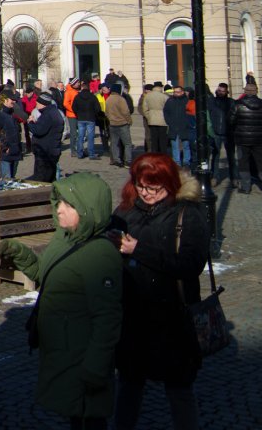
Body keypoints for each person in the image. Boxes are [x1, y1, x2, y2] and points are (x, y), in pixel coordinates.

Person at [0, 173, 122, 430]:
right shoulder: (64, 238)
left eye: (68, 204)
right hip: (64, 352)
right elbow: (45, 274)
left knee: (90, 417)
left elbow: (107, 318)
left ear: (87, 210)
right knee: (75, 415)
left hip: (82, 355)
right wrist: (19, 254)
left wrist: (96, 366)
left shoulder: (100, 254)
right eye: (59, 202)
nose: (59, 209)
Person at [109, 153, 210, 430]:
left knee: (179, 388)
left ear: (169, 184)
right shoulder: (126, 209)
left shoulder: (187, 213)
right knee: (129, 383)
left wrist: (138, 249)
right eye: (141, 186)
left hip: (173, 317)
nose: (146, 193)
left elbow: (190, 264)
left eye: (154, 188)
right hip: (132, 315)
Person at [231, 82, 262, 195]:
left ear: (245, 91)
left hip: (242, 138)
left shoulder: (237, 105)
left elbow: (230, 121)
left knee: (243, 162)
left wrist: (234, 133)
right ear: (256, 91)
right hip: (259, 138)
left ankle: (246, 187)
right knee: (261, 162)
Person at [28, 94, 65, 182]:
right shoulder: (54, 112)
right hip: (51, 150)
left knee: (42, 179)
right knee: (49, 177)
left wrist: (30, 122)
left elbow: (38, 130)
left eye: (37, 103)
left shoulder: (48, 115)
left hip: (45, 152)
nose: (36, 105)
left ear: (43, 104)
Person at [0, 93, 22, 180]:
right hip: (5, 153)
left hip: (14, 151)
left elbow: (17, 130)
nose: (14, 102)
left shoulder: (12, 112)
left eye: (15, 100)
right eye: (12, 100)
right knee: (5, 180)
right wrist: (4, 147)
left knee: (11, 179)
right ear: (5, 100)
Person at [207, 83, 235, 184]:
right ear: (217, 90)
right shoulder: (211, 101)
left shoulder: (231, 102)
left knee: (231, 157)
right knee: (215, 156)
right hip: (215, 132)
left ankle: (234, 177)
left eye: (223, 91)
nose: (221, 93)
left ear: (226, 92)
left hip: (229, 133)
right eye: (219, 90)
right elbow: (208, 116)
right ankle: (214, 176)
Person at [163, 85, 194, 169]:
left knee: (186, 146)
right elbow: (166, 112)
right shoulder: (170, 101)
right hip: (173, 127)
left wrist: (188, 123)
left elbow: (190, 113)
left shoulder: (187, 101)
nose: (176, 93)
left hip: (185, 126)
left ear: (182, 92)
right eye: (175, 92)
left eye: (178, 92)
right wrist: (169, 122)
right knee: (175, 146)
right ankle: (176, 162)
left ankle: (186, 162)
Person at [103, 84, 133, 168]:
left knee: (114, 143)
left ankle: (116, 160)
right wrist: (129, 121)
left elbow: (106, 112)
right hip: (122, 124)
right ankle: (128, 161)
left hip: (112, 124)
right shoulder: (121, 99)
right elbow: (126, 112)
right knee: (127, 143)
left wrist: (111, 119)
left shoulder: (108, 99)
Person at [72, 83, 100, 160]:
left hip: (81, 118)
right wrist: (94, 114)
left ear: (82, 88)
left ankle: (80, 153)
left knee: (80, 136)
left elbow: (73, 107)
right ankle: (91, 154)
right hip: (90, 118)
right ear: (89, 88)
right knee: (90, 137)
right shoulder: (93, 97)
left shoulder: (77, 97)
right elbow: (98, 108)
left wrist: (78, 114)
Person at [140, 81, 168, 154]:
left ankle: (154, 155)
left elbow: (144, 109)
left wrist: (149, 117)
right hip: (163, 120)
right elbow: (169, 109)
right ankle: (163, 155)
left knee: (153, 139)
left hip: (152, 120)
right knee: (162, 139)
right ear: (161, 87)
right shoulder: (164, 97)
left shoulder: (147, 96)